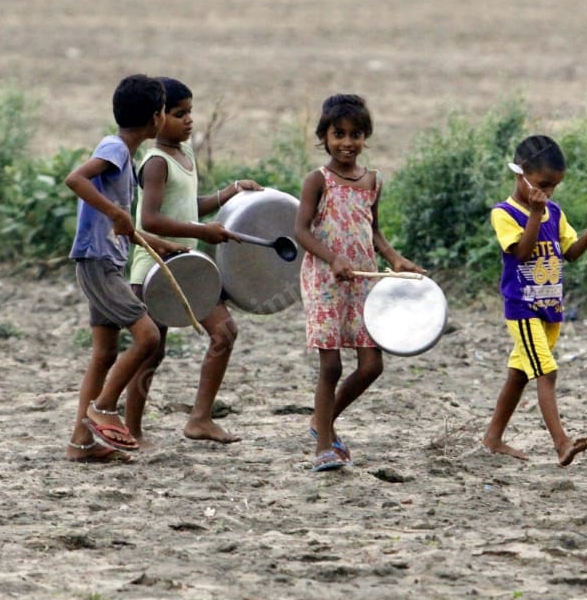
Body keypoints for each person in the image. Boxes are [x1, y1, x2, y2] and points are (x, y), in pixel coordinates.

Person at [126, 77, 263, 446]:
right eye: (177, 114)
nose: (188, 121)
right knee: (151, 352)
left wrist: (229, 192)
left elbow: (187, 208)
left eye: (190, 112)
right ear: (156, 118)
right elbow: (150, 220)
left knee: (224, 333)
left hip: (188, 268)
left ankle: (200, 419)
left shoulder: (183, 158)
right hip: (155, 267)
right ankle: (132, 429)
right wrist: (203, 233)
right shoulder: (155, 162)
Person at [294, 94, 424, 472]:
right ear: (324, 136)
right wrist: (332, 259)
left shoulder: (373, 181)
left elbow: (374, 233)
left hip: (364, 282)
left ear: (366, 137)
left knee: (372, 365)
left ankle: (323, 419)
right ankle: (323, 447)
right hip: (325, 280)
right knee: (331, 365)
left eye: (355, 135)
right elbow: (301, 230)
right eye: (338, 134)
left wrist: (395, 259)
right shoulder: (317, 180)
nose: (347, 143)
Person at [64, 74, 186, 463]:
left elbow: (122, 227)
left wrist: (160, 244)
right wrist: (117, 211)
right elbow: (76, 179)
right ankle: (103, 409)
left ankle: (80, 443)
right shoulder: (115, 149)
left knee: (104, 354)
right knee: (148, 337)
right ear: (156, 117)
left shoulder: (124, 156)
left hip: (107, 260)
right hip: (98, 262)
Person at [482, 135, 587, 466]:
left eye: (554, 186)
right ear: (520, 173)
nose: (549, 192)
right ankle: (561, 443)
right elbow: (521, 254)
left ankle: (493, 438)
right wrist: (535, 215)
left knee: (519, 374)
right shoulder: (505, 213)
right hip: (522, 307)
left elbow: (570, 254)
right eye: (543, 184)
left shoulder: (553, 211)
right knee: (546, 373)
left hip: (550, 310)